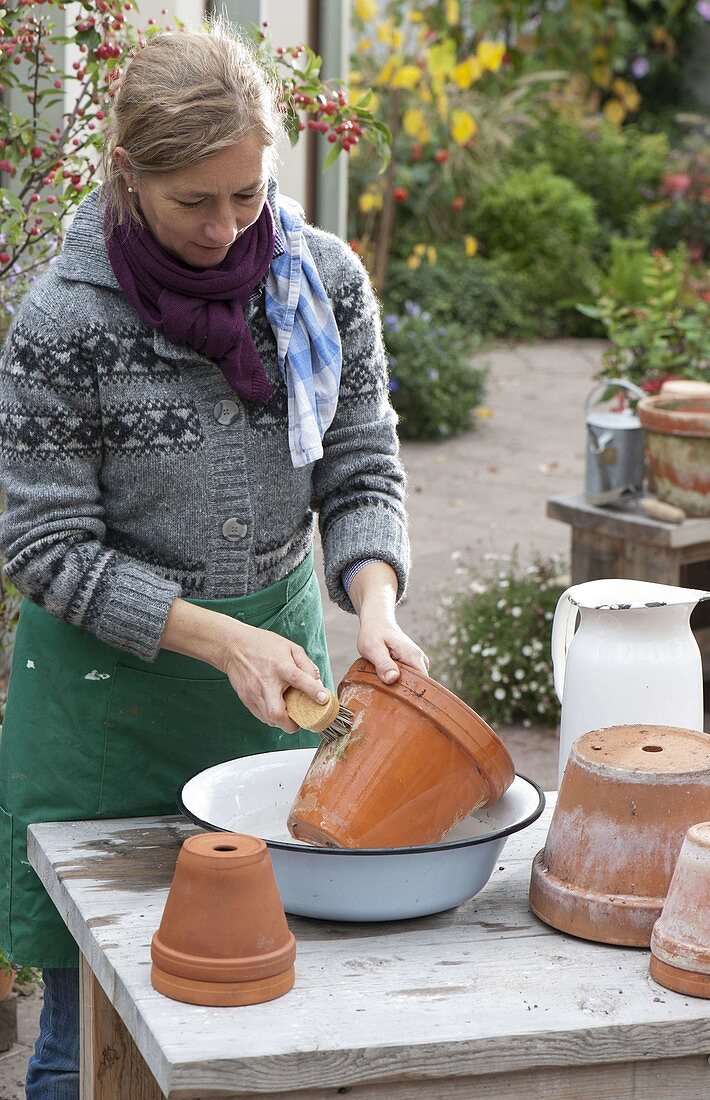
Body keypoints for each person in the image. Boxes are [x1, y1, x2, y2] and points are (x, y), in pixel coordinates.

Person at [0, 24, 427, 1098]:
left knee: (258, 1007)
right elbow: (41, 544)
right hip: (104, 700)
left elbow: (363, 464)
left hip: (269, 683)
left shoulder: (319, 280)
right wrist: (212, 631)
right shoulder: (64, 317)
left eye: (249, 192)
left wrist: (374, 600)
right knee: (81, 1041)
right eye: (195, 201)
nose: (228, 224)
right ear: (129, 175)